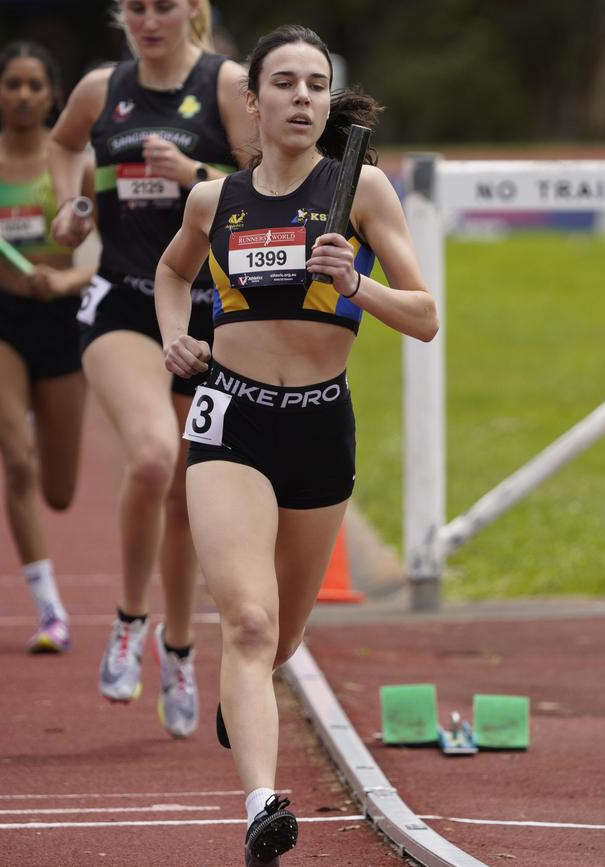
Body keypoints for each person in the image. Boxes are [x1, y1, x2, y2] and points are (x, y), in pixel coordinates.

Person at [154, 23, 439, 866]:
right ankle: (261, 806)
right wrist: (176, 334)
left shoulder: (362, 192)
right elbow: (174, 272)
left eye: (317, 85)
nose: (303, 98)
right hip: (231, 419)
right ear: (253, 100)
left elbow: (426, 317)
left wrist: (360, 284)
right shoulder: (214, 203)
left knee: (279, 639)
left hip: (321, 425)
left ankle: (246, 695)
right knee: (245, 621)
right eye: (285, 83)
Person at [48, 0, 252, 738]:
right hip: (123, 304)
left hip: (212, 315)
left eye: (163, 6)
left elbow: (269, 186)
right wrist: (71, 205)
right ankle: (130, 622)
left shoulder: (227, 84)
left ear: (192, 10)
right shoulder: (102, 88)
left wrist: (194, 171)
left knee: (187, 495)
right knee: (154, 458)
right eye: (135, 7)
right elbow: (65, 145)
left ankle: (180, 646)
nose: (148, 20)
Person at [0, 41, 95, 654]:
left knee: (59, 490)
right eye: (10, 84)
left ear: (51, 96)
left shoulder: (73, 166)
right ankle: (49, 612)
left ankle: (42, 412)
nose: (21, 95)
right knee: (18, 462)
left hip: (63, 318)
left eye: (33, 85)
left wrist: (67, 279)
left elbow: (109, 253)